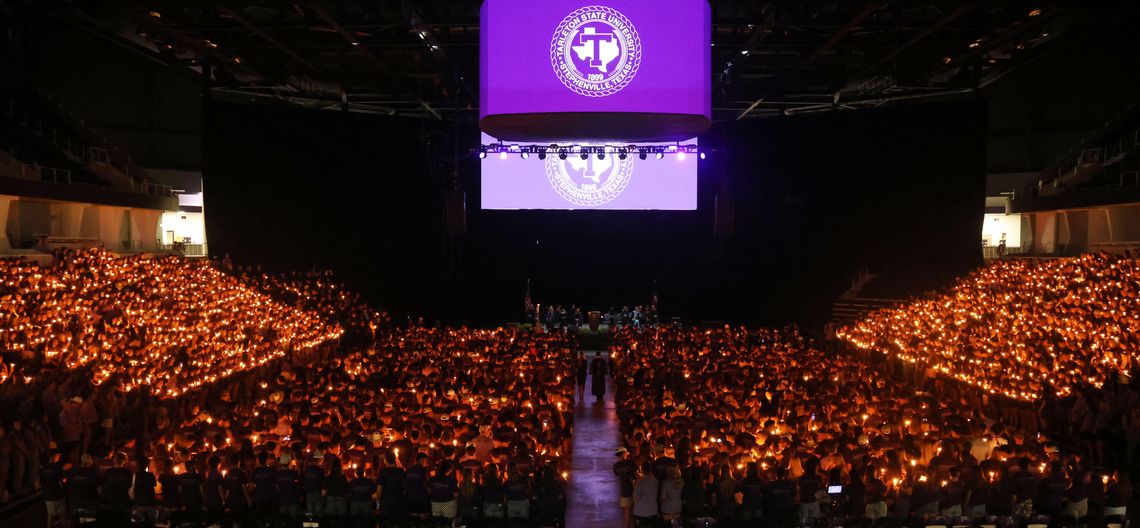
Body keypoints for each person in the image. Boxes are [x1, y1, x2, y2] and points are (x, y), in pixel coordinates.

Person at [614, 447, 636, 527]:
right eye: (626, 453)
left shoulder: (616, 466)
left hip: (624, 490)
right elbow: (635, 474)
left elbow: (617, 473)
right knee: (631, 513)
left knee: (626, 513)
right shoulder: (630, 463)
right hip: (633, 489)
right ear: (623, 454)